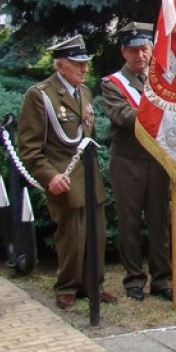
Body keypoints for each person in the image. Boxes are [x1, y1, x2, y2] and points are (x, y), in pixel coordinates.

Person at [16, 35, 116, 310]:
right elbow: (29, 147)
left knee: (95, 235)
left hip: (89, 176)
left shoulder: (83, 92)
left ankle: (93, 284)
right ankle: (67, 286)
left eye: (85, 63)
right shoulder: (40, 95)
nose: (84, 69)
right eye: (77, 64)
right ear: (60, 66)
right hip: (64, 176)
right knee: (71, 236)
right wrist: (49, 177)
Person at [100, 22, 173, 301]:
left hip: (156, 159)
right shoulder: (112, 84)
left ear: (152, 51)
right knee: (129, 222)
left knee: (159, 221)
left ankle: (162, 279)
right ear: (123, 53)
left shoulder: (163, 81)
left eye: (144, 49)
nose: (139, 56)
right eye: (133, 51)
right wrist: (160, 113)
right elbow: (123, 116)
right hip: (127, 160)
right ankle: (133, 279)